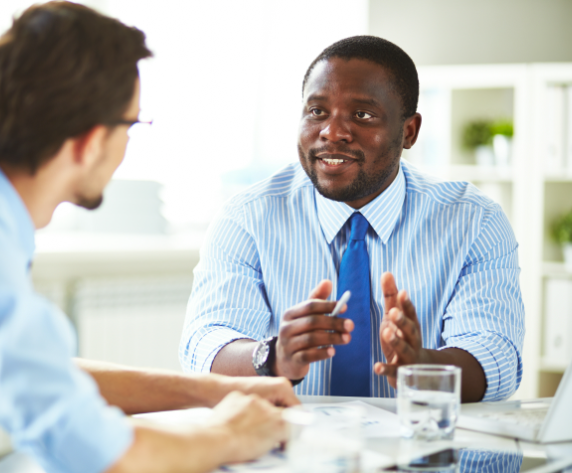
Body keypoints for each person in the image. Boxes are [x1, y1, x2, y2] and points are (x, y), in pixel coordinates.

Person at [0, 3, 298, 473]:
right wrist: (232, 434)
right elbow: (109, 459)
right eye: (132, 124)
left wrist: (211, 391)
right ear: (89, 141)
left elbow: (39, 374)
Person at [180, 35, 524, 403]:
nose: (332, 132)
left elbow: (497, 355)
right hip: (288, 445)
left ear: (409, 131)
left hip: (418, 447)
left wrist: (421, 365)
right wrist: (273, 357)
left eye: (362, 115)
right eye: (317, 112)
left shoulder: (474, 222)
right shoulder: (247, 217)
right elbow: (205, 345)